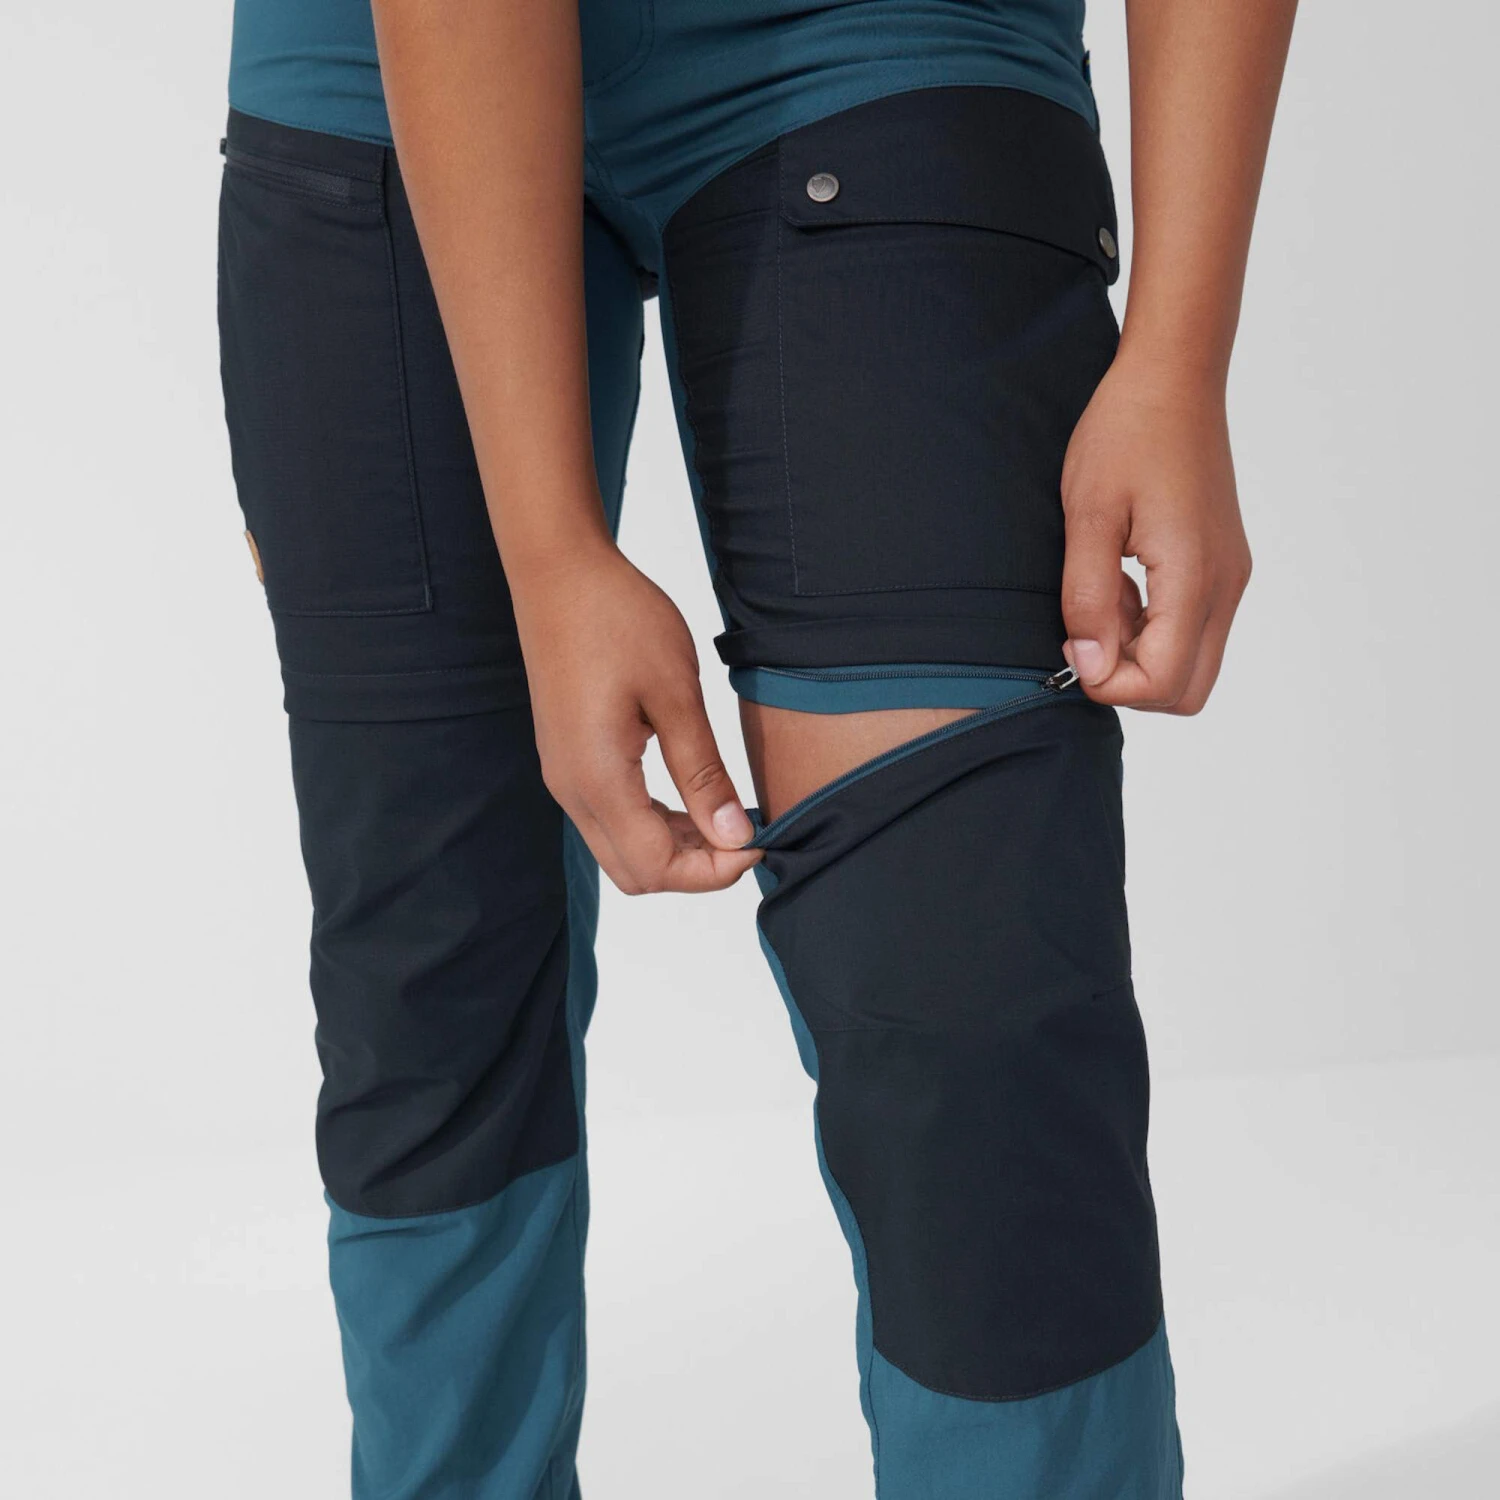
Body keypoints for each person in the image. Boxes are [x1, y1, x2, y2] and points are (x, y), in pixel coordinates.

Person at [217, 0, 1296, 1494]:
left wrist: (1178, 352)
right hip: (382, 68)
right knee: (428, 982)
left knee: (969, 1010)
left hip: (887, 37)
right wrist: (548, 553)